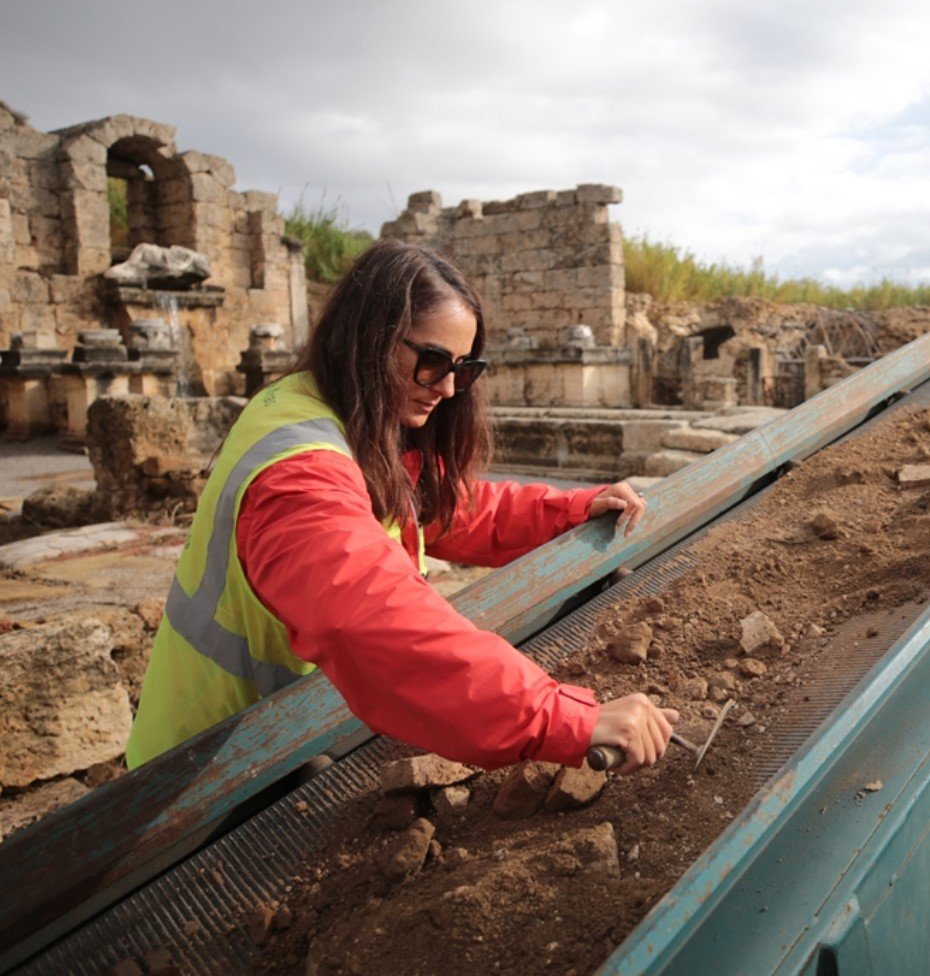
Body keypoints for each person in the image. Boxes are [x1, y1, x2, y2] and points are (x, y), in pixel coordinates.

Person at [125, 242, 679, 774]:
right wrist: (565, 719)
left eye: (465, 367)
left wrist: (567, 511)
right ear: (369, 339)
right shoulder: (298, 472)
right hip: (201, 771)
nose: (450, 389)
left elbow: (452, 509)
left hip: (272, 733)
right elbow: (374, 623)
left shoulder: (348, 416)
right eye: (433, 361)